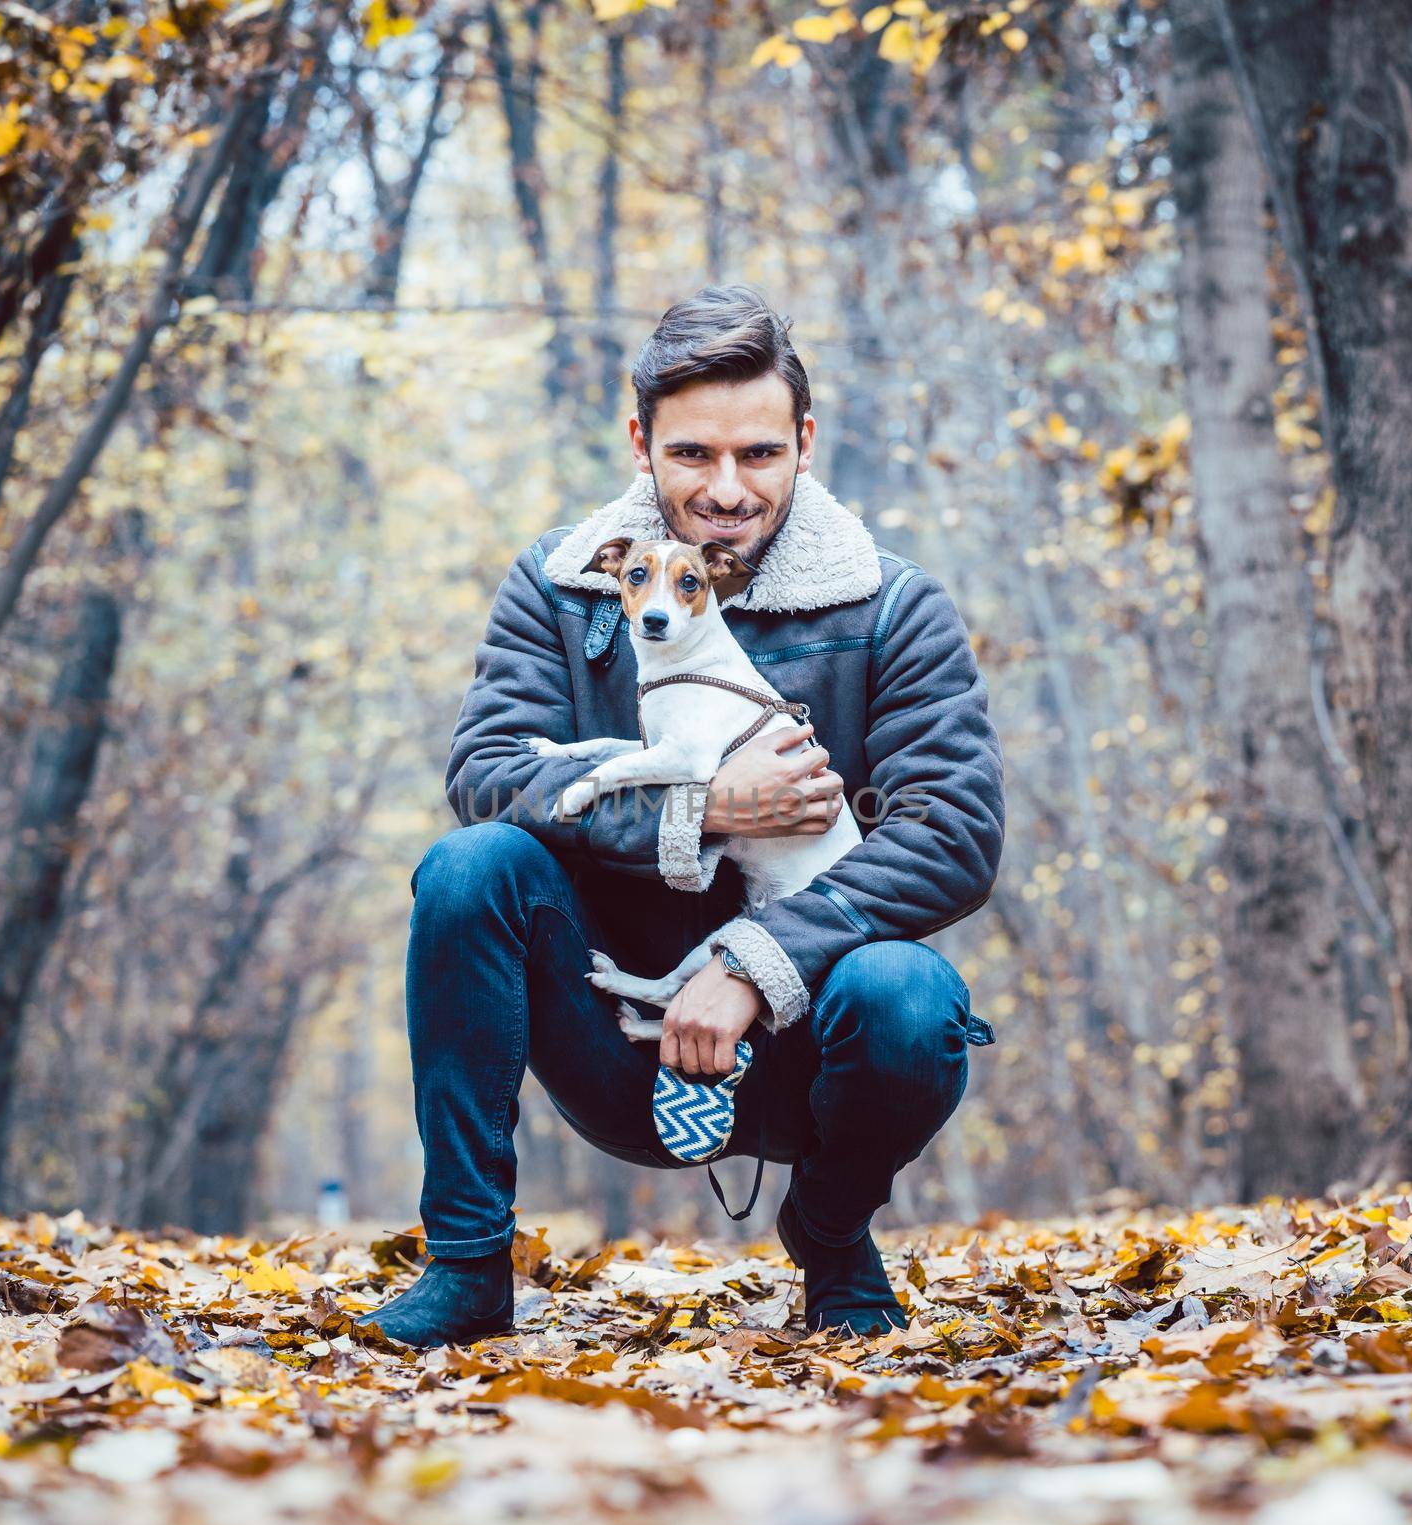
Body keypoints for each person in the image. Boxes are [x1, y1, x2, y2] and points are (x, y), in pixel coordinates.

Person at [361, 284, 1005, 1346]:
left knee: (910, 994)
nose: (726, 488)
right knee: (469, 866)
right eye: (692, 454)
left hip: (813, 1041)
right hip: (613, 1026)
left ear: (804, 440)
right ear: (640, 443)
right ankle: (467, 1264)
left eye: (757, 453)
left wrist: (754, 961)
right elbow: (486, 769)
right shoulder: (562, 587)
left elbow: (952, 833)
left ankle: (832, 1232)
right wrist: (697, 810)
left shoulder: (893, 607)